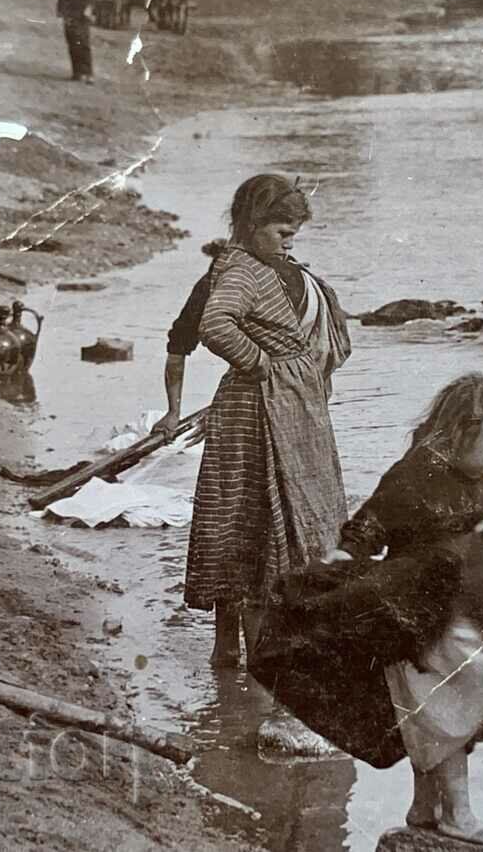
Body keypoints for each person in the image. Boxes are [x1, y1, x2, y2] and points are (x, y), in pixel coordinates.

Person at [324, 373, 483, 847]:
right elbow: (370, 524)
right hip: (417, 615)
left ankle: (424, 808)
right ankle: (458, 814)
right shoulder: (412, 476)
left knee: (436, 709)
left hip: (460, 609)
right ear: (461, 432)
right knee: (449, 703)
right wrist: (344, 557)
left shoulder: (481, 480)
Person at [184, 174, 348, 668]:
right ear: (251, 224)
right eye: (282, 231)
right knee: (254, 520)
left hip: (271, 404)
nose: (290, 241)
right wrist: (259, 364)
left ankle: (230, 652)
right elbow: (214, 324)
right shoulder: (243, 271)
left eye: (294, 232)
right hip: (259, 408)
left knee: (245, 518)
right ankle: (253, 658)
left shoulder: (252, 265)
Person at [151, 232, 350, 442]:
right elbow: (178, 346)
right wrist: (173, 412)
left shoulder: (293, 284)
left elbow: (311, 356)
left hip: (300, 380)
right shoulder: (209, 289)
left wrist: (223, 411)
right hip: (278, 379)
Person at [57, 0, 96, 84]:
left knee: (83, 42)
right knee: (72, 42)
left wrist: (89, 7)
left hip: (82, 12)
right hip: (69, 13)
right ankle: (77, 72)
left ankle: (88, 73)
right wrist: (61, 10)